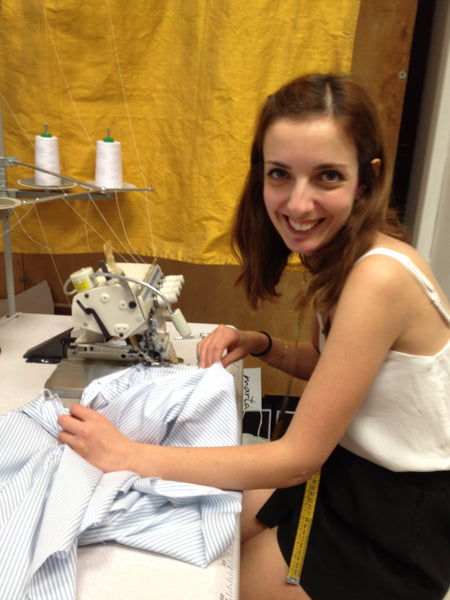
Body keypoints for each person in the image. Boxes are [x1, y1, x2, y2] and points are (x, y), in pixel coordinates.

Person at [58, 73, 450, 600]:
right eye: (280, 175)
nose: (298, 203)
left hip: (396, 517)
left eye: (328, 176)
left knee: (205, 583)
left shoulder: (378, 278)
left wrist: (128, 453)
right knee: (193, 528)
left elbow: (295, 459)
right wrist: (262, 344)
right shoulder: (340, 256)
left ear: (368, 179)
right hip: (346, 473)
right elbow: (328, 364)